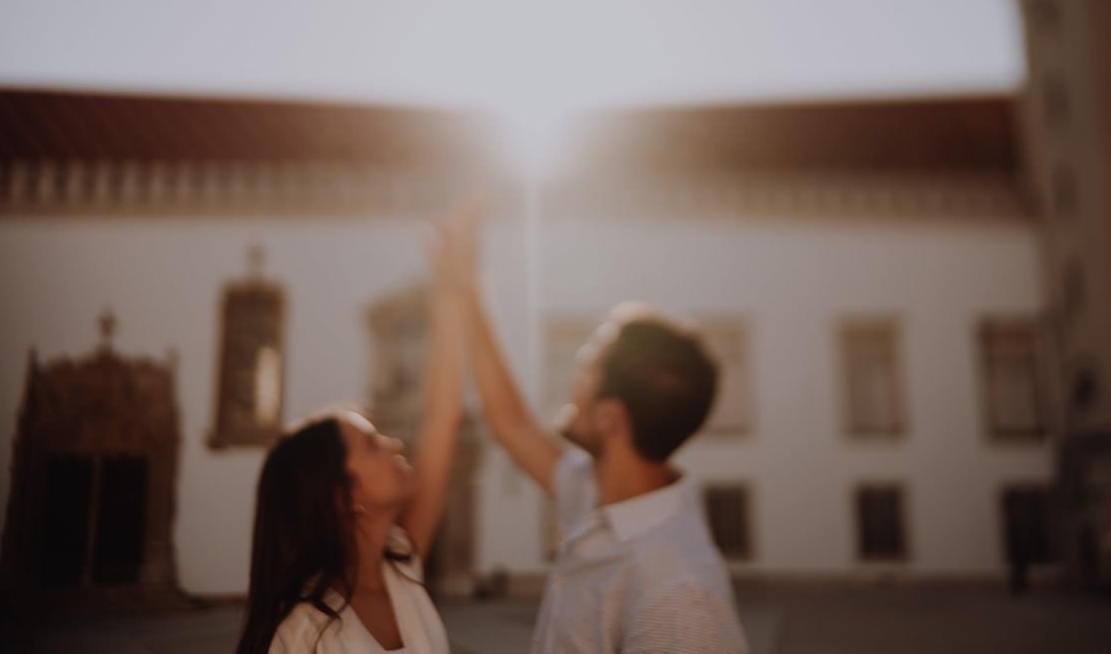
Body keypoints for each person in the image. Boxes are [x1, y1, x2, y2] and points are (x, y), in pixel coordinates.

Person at [439, 209, 749, 654]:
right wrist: (466, 284)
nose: (572, 376)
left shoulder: (678, 594)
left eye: (585, 366)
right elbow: (510, 422)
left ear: (609, 418)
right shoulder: (595, 492)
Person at [235, 217, 466, 654]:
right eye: (374, 444)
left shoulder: (403, 568)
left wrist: (452, 288)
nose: (396, 444)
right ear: (344, 496)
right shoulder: (301, 633)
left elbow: (442, 417)